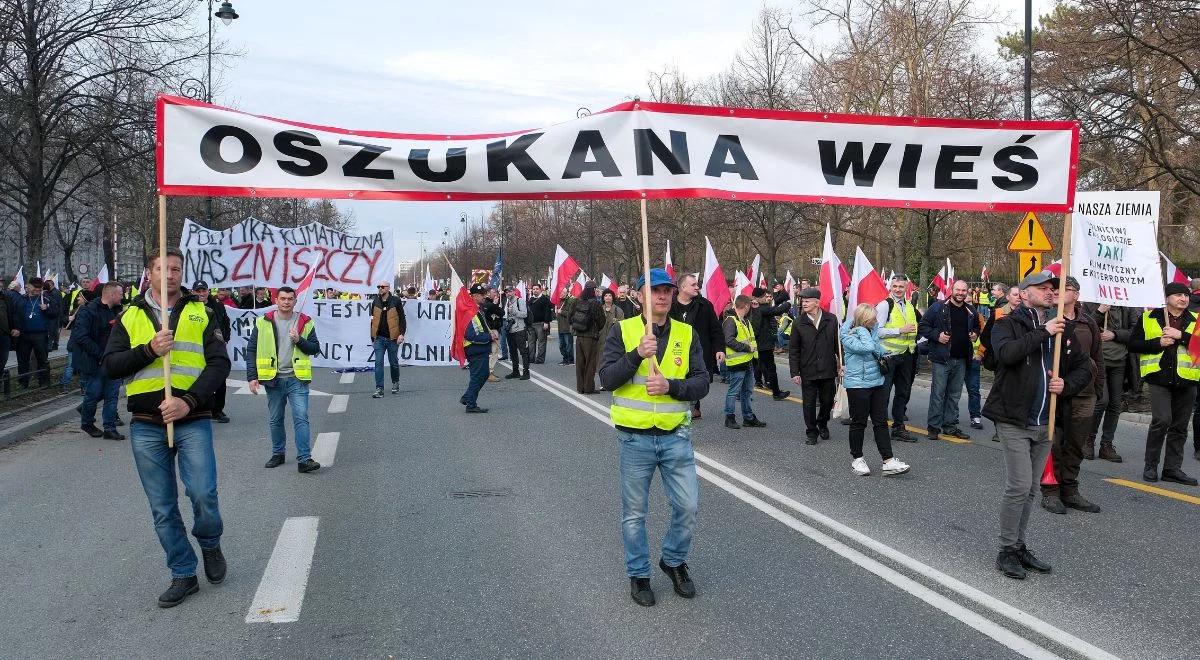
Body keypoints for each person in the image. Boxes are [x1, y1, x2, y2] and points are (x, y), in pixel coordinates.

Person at [102, 247, 231, 607]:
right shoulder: (130, 315)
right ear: (150, 273)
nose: (170, 274)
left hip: (191, 419)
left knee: (203, 493)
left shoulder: (200, 311)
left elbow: (219, 364)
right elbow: (110, 366)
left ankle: (209, 542)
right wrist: (148, 350)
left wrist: (188, 401)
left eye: (176, 269)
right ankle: (183, 573)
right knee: (162, 506)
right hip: (146, 424)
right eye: (163, 268)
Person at [598, 268, 709, 608]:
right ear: (641, 296)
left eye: (667, 290)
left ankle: (673, 560)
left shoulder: (687, 334)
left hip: (676, 437)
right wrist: (635, 356)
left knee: (687, 506)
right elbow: (607, 379)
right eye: (655, 290)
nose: (661, 296)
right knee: (634, 514)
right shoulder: (623, 330)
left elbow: (703, 381)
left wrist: (672, 387)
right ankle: (639, 574)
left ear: (674, 295)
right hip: (635, 440)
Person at [984, 271, 1091, 580]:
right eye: (1042, 287)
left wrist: (1065, 384)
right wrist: (1044, 332)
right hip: (1014, 419)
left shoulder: (1063, 330)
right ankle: (1006, 550)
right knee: (1018, 485)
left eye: (1052, 288)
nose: (1049, 291)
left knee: (1031, 488)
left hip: (1045, 421)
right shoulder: (1007, 323)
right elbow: (1006, 354)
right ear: (1025, 291)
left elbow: (1086, 367)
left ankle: (1018, 546)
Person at [1040, 277, 1104, 513]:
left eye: (1063, 289)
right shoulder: (1046, 320)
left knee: (1075, 444)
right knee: (1052, 443)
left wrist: (1099, 389)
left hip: (1083, 393)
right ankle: (1050, 491)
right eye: (1053, 289)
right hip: (1052, 392)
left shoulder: (1088, 323)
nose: (1055, 292)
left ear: (1076, 295)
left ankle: (1070, 490)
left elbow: (1097, 358)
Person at [1126, 282, 1198, 486]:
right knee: (1162, 420)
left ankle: (1172, 469)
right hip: (1158, 378)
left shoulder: (1196, 319)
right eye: (1178, 295)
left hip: (1187, 379)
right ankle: (1151, 465)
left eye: (1186, 295)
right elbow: (1133, 344)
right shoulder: (1149, 317)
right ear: (1166, 298)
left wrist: (1181, 336)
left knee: (1180, 427)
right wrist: (1158, 343)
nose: (1183, 298)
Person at [246, 286, 322, 473]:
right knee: (275, 419)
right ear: (276, 300)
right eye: (283, 298)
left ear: (295, 301)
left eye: (290, 299)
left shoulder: (305, 322)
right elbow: (252, 350)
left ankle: (304, 459)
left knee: (301, 418)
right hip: (274, 379)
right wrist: (252, 376)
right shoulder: (263, 322)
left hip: (297, 379)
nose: (286, 302)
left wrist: (299, 340)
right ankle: (278, 453)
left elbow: (314, 348)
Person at [841, 303, 911, 476]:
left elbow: (877, 349)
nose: (876, 321)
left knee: (880, 422)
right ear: (864, 320)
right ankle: (857, 459)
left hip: (876, 383)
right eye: (872, 318)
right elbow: (867, 348)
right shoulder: (848, 335)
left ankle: (888, 460)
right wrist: (862, 331)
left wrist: (888, 353)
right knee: (859, 423)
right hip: (857, 385)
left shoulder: (871, 331)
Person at [918, 280, 979, 441]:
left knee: (954, 395)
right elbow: (923, 326)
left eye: (963, 290)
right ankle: (933, 427)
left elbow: (977, 328)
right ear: (952, 290)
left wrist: (975, 334)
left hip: (962, 359)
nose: (960, 293)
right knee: (938, 394)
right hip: (941, 358)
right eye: (957, 289)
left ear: (967, 292)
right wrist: (937, 336)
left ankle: (950, 426)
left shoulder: (971, 310)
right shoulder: (938, 307)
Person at [70, 282, 124, 440]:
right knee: (93, 395)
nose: (123, 297)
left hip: (113, 361)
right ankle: (86, 422)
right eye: (120, 294)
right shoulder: (88, 311)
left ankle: (110, 428)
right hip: (94, 362)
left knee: (112, 395)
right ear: (112, 294)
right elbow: (81, 337)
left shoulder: (117, 311)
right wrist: (100, 354)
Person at [1081, 302, 1132, 462]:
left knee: (1115, 404)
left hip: (1120, 361)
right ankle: (1088, 441)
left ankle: (1107, 445)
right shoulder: (1090, 304)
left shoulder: (1127, 306)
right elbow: (1083, 327)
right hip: (1099, 361)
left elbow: (1135, 331)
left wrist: (1115, 334)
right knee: (1102, 401)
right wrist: (1100, 311)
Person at [669, 273, 725, 419]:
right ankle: (679, 404)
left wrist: (719, 348)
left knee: (696, 376)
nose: (697, 287)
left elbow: (715, 328)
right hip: (674, 349)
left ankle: (694, 406)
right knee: (677, 376)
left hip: (698, 349)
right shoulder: (670, 305)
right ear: (682, 287)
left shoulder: (704, 305)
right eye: (693, 285)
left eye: (697, 284)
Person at [789, 287, 839, 444]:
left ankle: (822, 423)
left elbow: (838, 343)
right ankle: (811, 432)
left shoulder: (831, 319)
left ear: (817, 302)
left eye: (807, 301)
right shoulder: (798, 323)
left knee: (827, 401)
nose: (804, 304)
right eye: (802, 301)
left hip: (828, 369)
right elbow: (794, 349)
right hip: (808, 369)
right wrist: (794, 372)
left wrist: (841, 363)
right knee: (809, 404)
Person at [876, 276, 921, 442]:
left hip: (906, 355)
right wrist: (899, 330)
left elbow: (914, 330)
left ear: (906, 288)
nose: (897, 289)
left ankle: (898, 427)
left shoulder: (909, 306)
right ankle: (880, 430)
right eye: (894, 286)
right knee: (884, 394)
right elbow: (878, 331)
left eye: (901, 287)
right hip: (889, 356)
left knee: (903, 393)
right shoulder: (884, 305)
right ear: (890, 287)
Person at [723, 295, 766, 429]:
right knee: (734, 391)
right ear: (746, 306)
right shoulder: (731, 320)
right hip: (737, 362)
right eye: (750, 306)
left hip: (748, 361)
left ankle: (748, 418)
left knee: (747, 391)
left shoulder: (744, 321)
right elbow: (728, 340)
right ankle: (729, 418)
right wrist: (747, 348)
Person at [192, 281, 231, 423]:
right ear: (193, 292)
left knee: (220, 378)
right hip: (197, 348)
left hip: (216, 347)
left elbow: (225, 322)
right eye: (198, 291)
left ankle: (218, 410)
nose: (201, 294)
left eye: (204, 291)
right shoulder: (189, 307)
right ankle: (201, 408)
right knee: (200, 378)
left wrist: (225, 338)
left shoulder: (218, 305)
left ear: (208, 291)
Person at [14, 277, 57, 388]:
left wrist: (46, 309)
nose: (37, 290)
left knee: (42, 359)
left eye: (40, 287)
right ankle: (23, 383)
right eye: (35, 287)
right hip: (24, 334)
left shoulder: (47, 299)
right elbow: (15, 315)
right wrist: (16, 328)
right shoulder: (21, 299)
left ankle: (44, 382)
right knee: (23, 359)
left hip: (41, 334)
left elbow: (56, 313)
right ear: (28, 286)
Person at [750, 287, 791, 401]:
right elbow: (777, 311)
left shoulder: (751, 307)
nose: (766, 298)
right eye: (764, 296)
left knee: (755, 367)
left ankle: (752, 388)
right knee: (770, 368)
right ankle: (776, 393)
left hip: (756, 343)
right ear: (757, 298)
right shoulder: (761, 308)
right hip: (763, 344)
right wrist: (788, 303)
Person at [461, 284, 495, 413]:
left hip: (480, 348)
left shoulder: (477, 308)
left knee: (485, 374)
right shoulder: (470, 311)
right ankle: (471, 404)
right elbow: (470, 334)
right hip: (475, 348)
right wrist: (489, 336)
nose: (484, 296)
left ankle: (468, 397)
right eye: (481, 294)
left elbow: (481, 327)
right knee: (477, 376)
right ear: (474, 296)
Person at [369, 281, 406, 398]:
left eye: (382, 287)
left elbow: (402, 319)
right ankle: (379, 388)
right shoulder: (375, 301)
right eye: (378, 287)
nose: (380, 288)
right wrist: (372, 336)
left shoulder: (396, 300)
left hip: (393, 338)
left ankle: (395, 382)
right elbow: (373, 319)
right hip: (379, 338)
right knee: (378, 363)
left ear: (388, 288)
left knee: (393, 362)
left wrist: (401, 333)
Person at [568, 282, 604, 394]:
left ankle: (580, 388)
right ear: (593, 290)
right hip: (591, 337)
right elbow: (602, 321)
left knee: (580, 363)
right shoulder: (596, 304)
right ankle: (589, 388)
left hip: (579, 336)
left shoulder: (576, 301)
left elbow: (570, 317)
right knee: (590, 363)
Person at [504, 287, 530, 380]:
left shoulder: (520, 301)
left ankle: (526, 372)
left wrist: (514, 312)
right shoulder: (508, 302)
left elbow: (524, 314)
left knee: (523, 351)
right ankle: (515, 371)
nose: (508, 294)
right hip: (510, 330)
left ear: (514, 292)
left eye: (510, 291)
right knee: (512, 352)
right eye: (506, 292)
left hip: (519, 329)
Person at [526, 283, 553, 363]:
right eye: (534, 289)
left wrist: (546, 322)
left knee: (541, 343)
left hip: (541, 324)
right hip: (531, 324)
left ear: (540, 289)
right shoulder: (530, 299)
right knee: (531, 342)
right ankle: (531, 358)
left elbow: (547, 312)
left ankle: (540, 359)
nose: (535, 290)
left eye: (537, 289)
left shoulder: (545, 299)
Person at [483, 287, 505, 381]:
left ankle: (486, 372)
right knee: (494, 351)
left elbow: (501, 313)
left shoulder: (487, 304)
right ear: (488, 293)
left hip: (489, 329)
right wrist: (495, 305)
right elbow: (501, 312)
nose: (496, 294)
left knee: (489, 351)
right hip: (491, 329)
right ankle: (489, 372)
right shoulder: (489, 304)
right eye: (494, 292)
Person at [598, 289, 626, 356]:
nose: (608, 297)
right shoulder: (599, 309)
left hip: (613, 339)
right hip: (600, 340)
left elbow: (623, 324)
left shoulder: (618, 310)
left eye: (610, 296)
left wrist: (617, 321)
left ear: (613, 298)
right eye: (606, 296)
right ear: (603, 298)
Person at [555, 286, 576, 365]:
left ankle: (570, 360)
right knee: (561, 345)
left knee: (568, 345)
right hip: (560, 327)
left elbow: (571, 314)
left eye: (562, 292)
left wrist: (561, 312)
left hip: (567, 327)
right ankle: (565, 358)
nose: (560, 294)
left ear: (566, 293)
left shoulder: (570, 301)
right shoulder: (559, 301)